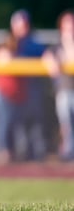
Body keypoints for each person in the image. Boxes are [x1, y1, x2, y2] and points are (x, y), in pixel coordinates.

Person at [9, 9, 48, 161]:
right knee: (19, 123)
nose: (22, 28)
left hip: (33, 89)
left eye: (24, 25)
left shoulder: (35, 43)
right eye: (19, 25)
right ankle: (22, 153)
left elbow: (46, 56)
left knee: (35, 122)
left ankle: (38, 153)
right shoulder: (9, 43)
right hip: (16, 91)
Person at [42, 10, 74, 161]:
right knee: (66, 123)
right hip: (64, 91)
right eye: (67, 23)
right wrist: (52, 61)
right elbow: (47, 58)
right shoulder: (56, 46)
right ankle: (68, 150)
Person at [0, 37, 25, 164]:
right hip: (2, 93)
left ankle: (12, 152)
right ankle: (3, 152)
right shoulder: (1, 52)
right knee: (3, 123)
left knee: (13, 125)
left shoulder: (19, 53)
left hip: (15, 95)